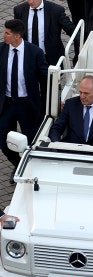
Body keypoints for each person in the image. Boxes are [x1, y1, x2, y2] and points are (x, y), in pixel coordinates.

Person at [0, 19, 49, 175]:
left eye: (7, 33)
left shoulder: (35, 53)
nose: (3, 35)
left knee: (30, 140)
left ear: (17, 36)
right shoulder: (1, 50)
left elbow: (46, 79)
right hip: (6, 103)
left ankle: (29, 169)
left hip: (27, 103)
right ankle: (20, 164)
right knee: (3, 140)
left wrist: (52, 100)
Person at [48, 75, 93, 147]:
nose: (82, 96)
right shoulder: (70, 104)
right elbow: (56, 128)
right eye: (80, 92)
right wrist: (57, 145)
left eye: (86, 93)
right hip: (71, 151)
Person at [13, 0, 74, 66]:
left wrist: (82, 43)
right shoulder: (19, 10)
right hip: (28, 57)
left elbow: (70, 29)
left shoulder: (56, 10)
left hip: (49, 57)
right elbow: (16, 32)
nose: (30, 2)